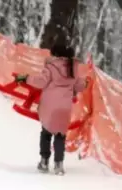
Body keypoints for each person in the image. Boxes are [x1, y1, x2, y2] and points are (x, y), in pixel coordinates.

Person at [16, 44, 86, 175]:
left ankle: (44, 162)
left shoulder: (51, 67)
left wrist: (26, 78)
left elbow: (41, 81)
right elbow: (79, 85)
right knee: (60, 135)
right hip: (65, 108)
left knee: (46, 132)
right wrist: (84, 83)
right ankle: (59, 165)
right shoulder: (73, 69)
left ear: (56, 54)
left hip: (50, 106)